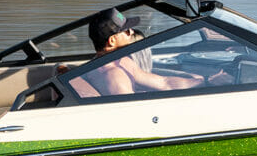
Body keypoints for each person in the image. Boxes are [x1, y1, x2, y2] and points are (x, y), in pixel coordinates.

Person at [80, 8, 226, 96]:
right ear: (112, 40)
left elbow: (165, 83)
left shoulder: (121, 62)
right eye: (126, 31)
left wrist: (206, 81)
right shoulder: (112, 75)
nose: (132, 32)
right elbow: (130, 114)